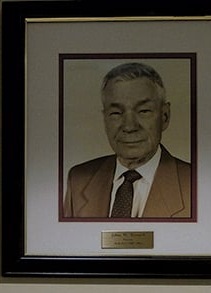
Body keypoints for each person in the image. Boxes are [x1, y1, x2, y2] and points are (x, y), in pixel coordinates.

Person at [63, 62, 192, 219]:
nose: (129, 126)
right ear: (105, 119)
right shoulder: (79, 180)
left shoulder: (195, 184)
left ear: (165, 116)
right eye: (116, 113)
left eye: (143, 111)